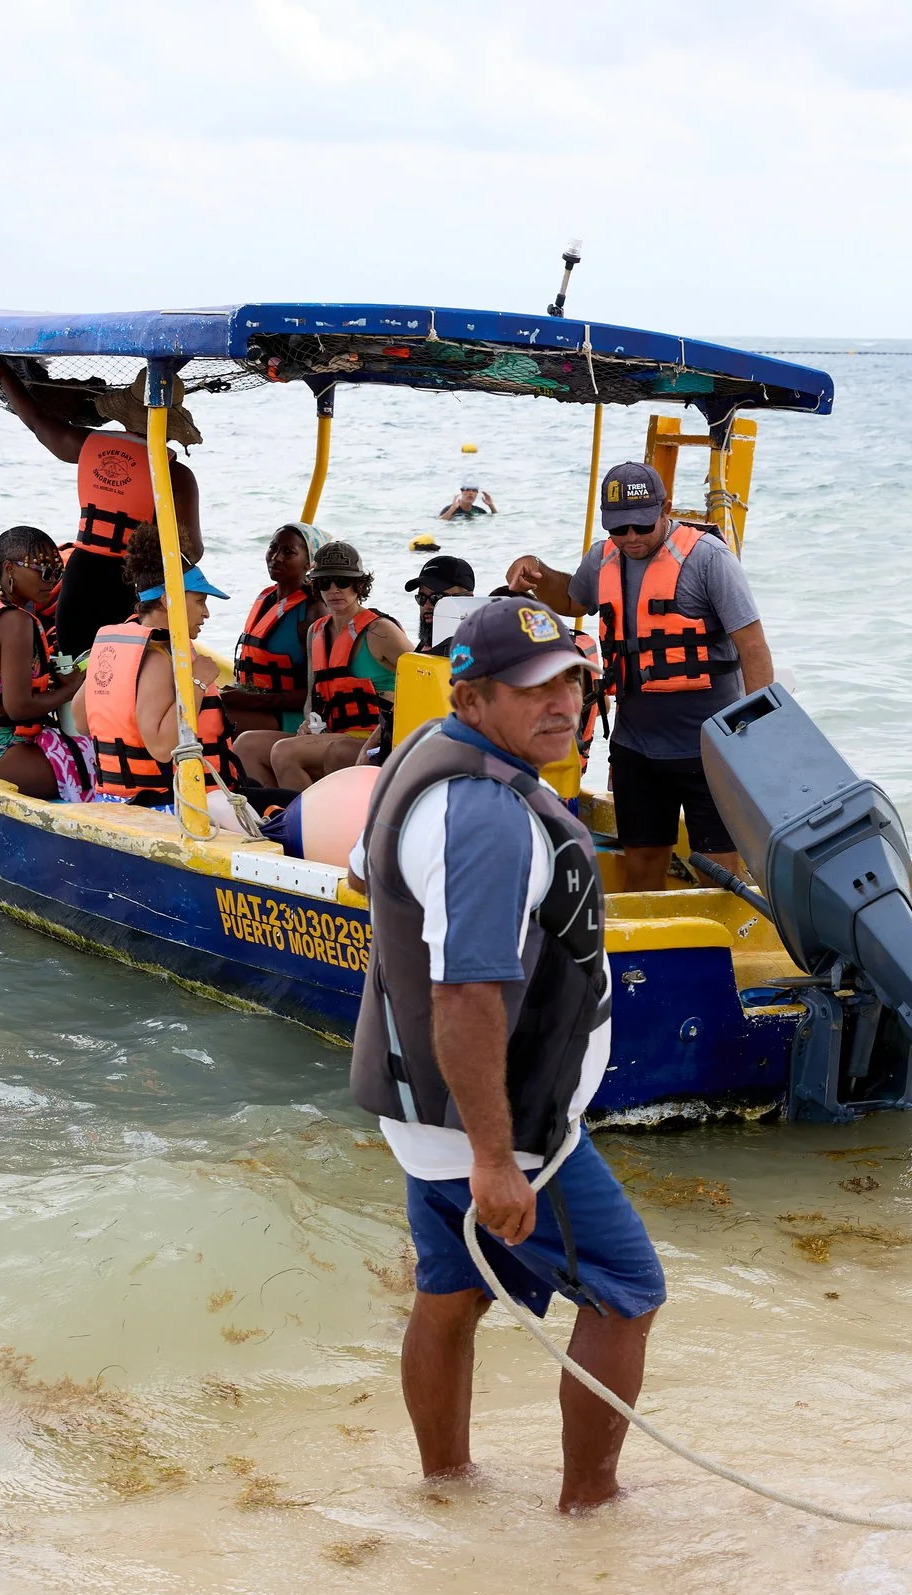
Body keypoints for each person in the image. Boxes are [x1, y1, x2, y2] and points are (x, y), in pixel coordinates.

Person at [349, 596, 662, 1514]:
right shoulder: (484, 816)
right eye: (533, 688)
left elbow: (369, 878)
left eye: (571, 678)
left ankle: (446, 1488)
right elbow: (466, 994)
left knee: (450, 1291)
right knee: (626, 1290)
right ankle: (591, 1507)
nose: (561, 702)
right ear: (474, 696)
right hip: (499, 1125)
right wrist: (494, 1157)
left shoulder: (420, 753)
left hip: (422, 1112)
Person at [505, 461, 776, 891]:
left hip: (710, 750)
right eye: (619, 528)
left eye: (641, 525)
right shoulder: (604, 557)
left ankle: (717, 950)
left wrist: (758, 735)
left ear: (665, 508)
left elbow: (754, 648)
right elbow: (573, 601)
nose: (630, 537)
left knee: (717, 871)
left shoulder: (709, 560)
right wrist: (537, 570)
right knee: (642, 865)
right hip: (637, 748)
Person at [0, 360, 204, 660]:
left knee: (76, 657)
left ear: (127, 413)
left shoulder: (87, 444)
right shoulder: (176, 475)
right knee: (122, 664)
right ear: (172, 422)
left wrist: (3, 373)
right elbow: (191, 551)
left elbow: (36, 422)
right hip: (128, 584)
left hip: (82, 574)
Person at [0, 525, 92, 801]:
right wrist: (74, 689)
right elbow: (19, 708)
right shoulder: (16, 622)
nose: (52, 581)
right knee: (101, 765)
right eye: (45, 572)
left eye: (58, 573)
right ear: (9, 569)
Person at [75, 561, 233, 810]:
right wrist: (199, 682)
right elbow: (161, 748)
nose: (206, 613)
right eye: (200, 601)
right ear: (166, 600)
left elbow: (81, 722)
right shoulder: (159, 658)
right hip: (165, 805)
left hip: (114, 799)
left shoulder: (119, 648)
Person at [269, 543, 414, 789]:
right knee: (249, 745)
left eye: (342, 582)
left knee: (284, 752)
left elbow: (423, 680)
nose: (334, 590)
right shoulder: (316, 631)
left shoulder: (380, 631)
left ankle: (308, 820)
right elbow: (313, 696)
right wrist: (308, 722)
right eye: (325, 582)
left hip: (372, 738)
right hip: (333, 732)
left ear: (359, 585)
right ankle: (271, 814)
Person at [226, 522, 325, 782]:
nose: (276, 557)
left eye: (288, 552)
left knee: (215, 716)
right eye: (273, 548)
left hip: (293, 717)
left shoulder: (314, 611)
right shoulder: (268, 599)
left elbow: (318, 693)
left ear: (309, 562)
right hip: (260, 705)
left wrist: (247, 701)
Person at [406, 553, 476, 652]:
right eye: (421, 597)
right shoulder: (425, 646)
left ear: (467, 599)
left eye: (437, 598)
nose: (426, 606)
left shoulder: (479, 651)